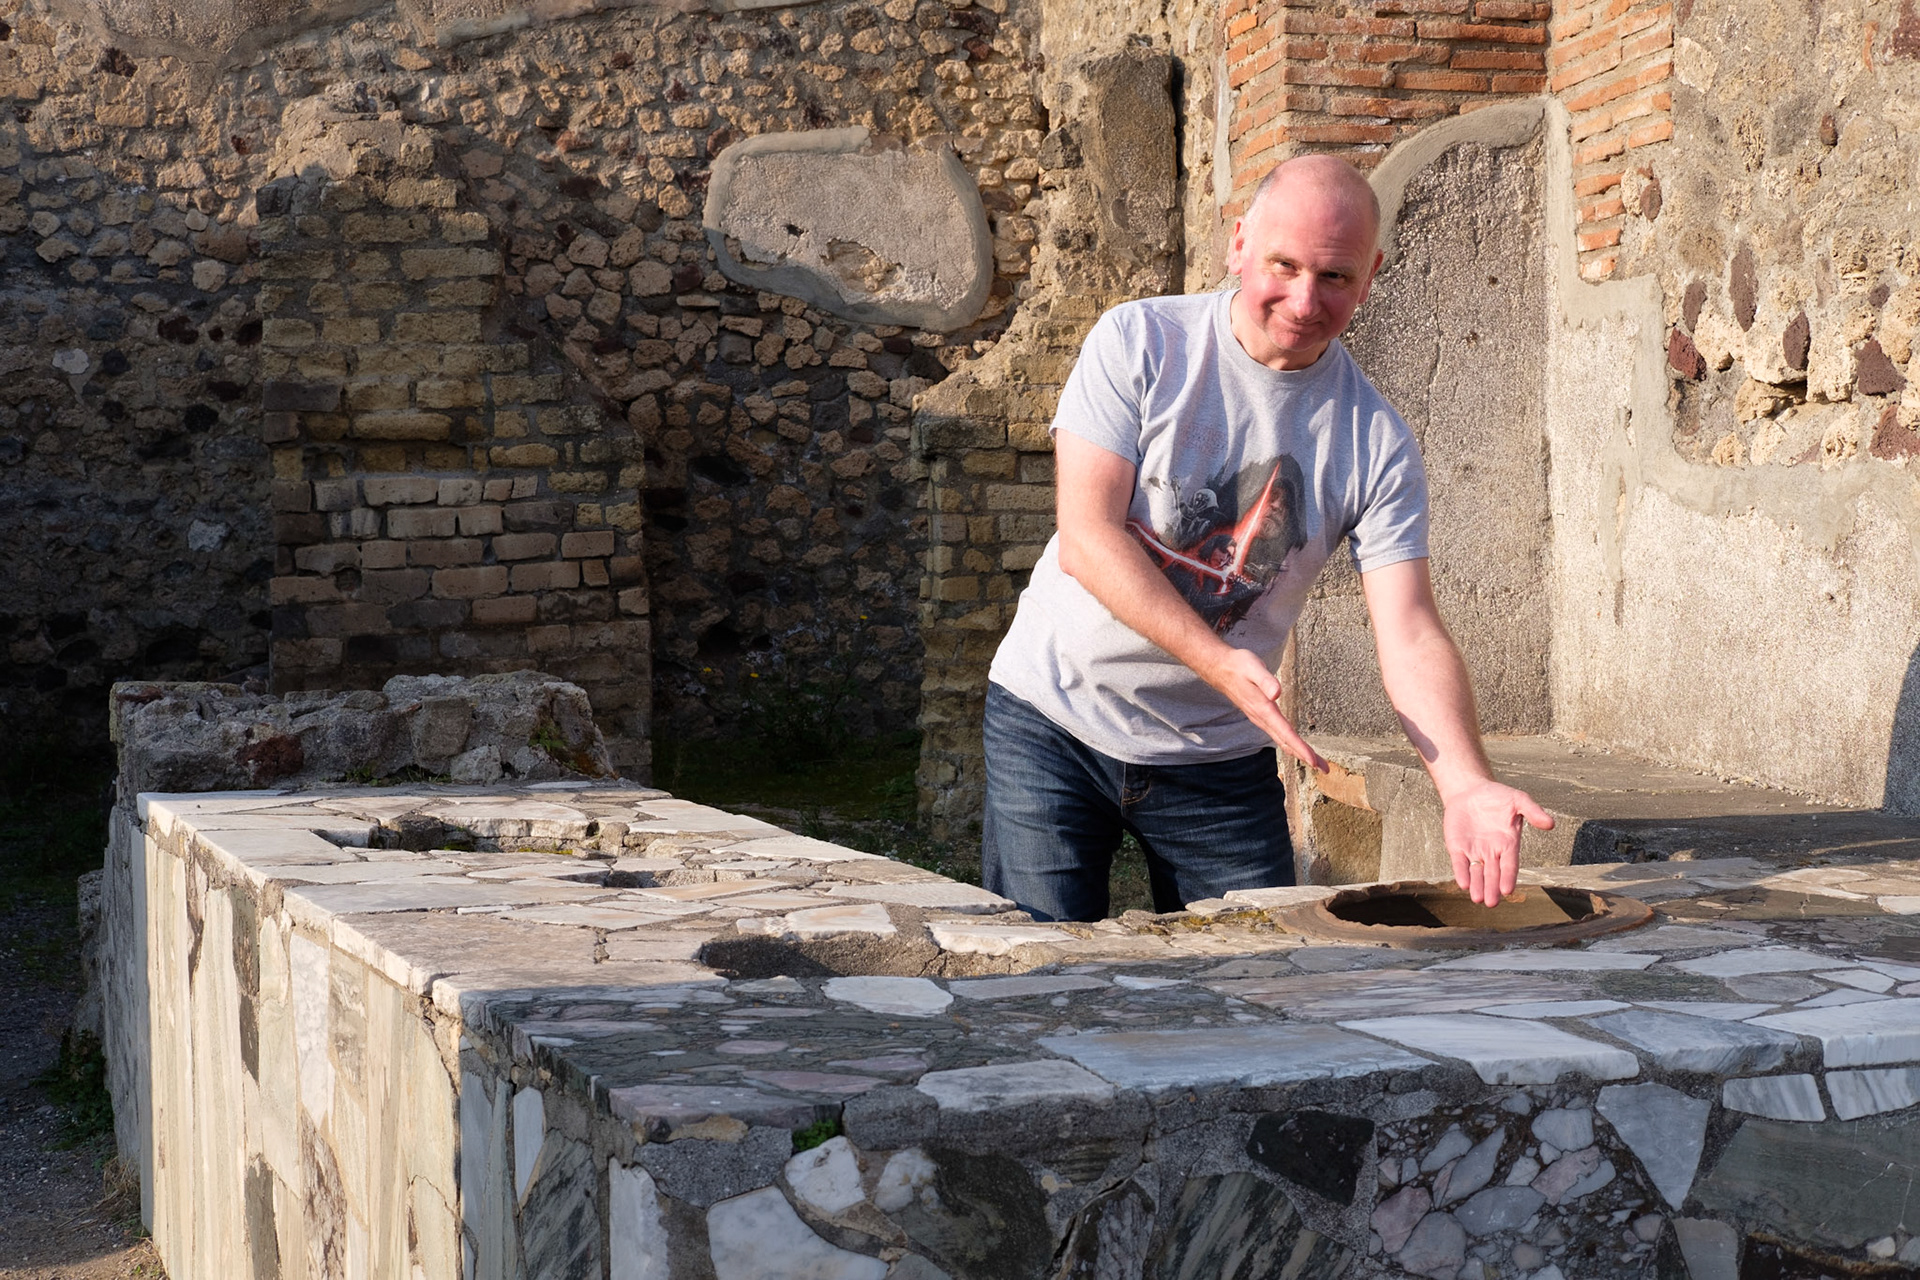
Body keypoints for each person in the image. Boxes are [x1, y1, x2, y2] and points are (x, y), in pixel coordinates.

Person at [981, 153, 1552, 922]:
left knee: (1263, 982)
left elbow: (1410, 630)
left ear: (1372, 273)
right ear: (1240, 244)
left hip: (1216, 756)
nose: (1304, 299)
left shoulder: (1374, 441)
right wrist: (1220, 661)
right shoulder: (1140, 342)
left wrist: (1464, 782)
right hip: (1054, 716)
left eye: (1336, 277)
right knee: (1037, 978)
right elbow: (1087, 537)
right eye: (1283, 265)